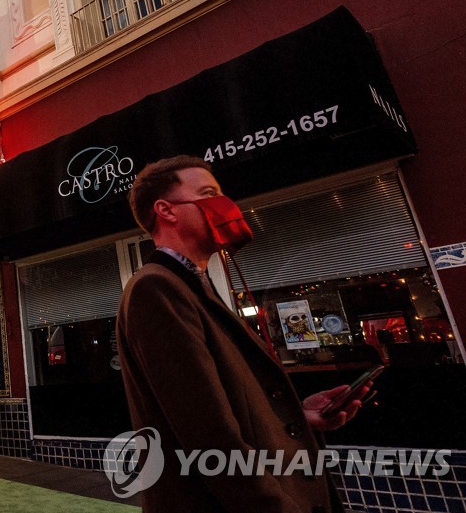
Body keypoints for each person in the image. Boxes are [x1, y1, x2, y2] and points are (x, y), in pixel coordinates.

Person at [116, 156, 371, 512]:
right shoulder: (157, 288)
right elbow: (209, 434)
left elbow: (227, 402)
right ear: (166, 210)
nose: (224, 204)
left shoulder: (193, 284)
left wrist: (297, 415)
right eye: (208, 193)